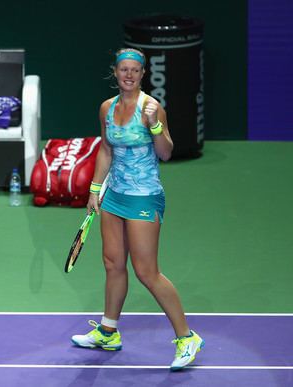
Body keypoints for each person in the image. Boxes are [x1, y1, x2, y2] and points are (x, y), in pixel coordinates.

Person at [70, 48, 204, 370]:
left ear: (143, 74)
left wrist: (155, 126)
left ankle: (187, 337)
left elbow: (167, 153)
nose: (128, 75)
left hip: (144, 196)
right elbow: (105, 149)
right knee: (113, 263)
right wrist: (94, 189)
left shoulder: (151, 107)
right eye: (123, 69)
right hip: (114, 194)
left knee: (146, 271)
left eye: (135, 70)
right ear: (114, 72)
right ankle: (108, 331)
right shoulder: (107, 107)